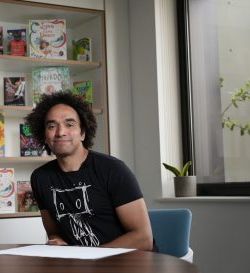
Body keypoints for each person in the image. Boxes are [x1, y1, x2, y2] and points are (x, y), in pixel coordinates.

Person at [24, 91, 154, 250]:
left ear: (83, 133)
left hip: (128, 265)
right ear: (44, 136)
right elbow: (54, 232)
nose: (60, 132)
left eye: (70, 124)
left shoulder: (113, 169)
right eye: (51, 126)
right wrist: (56, 240)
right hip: (81, 268)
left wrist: (92, 257)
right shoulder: (40, 178)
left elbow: (143, 238)